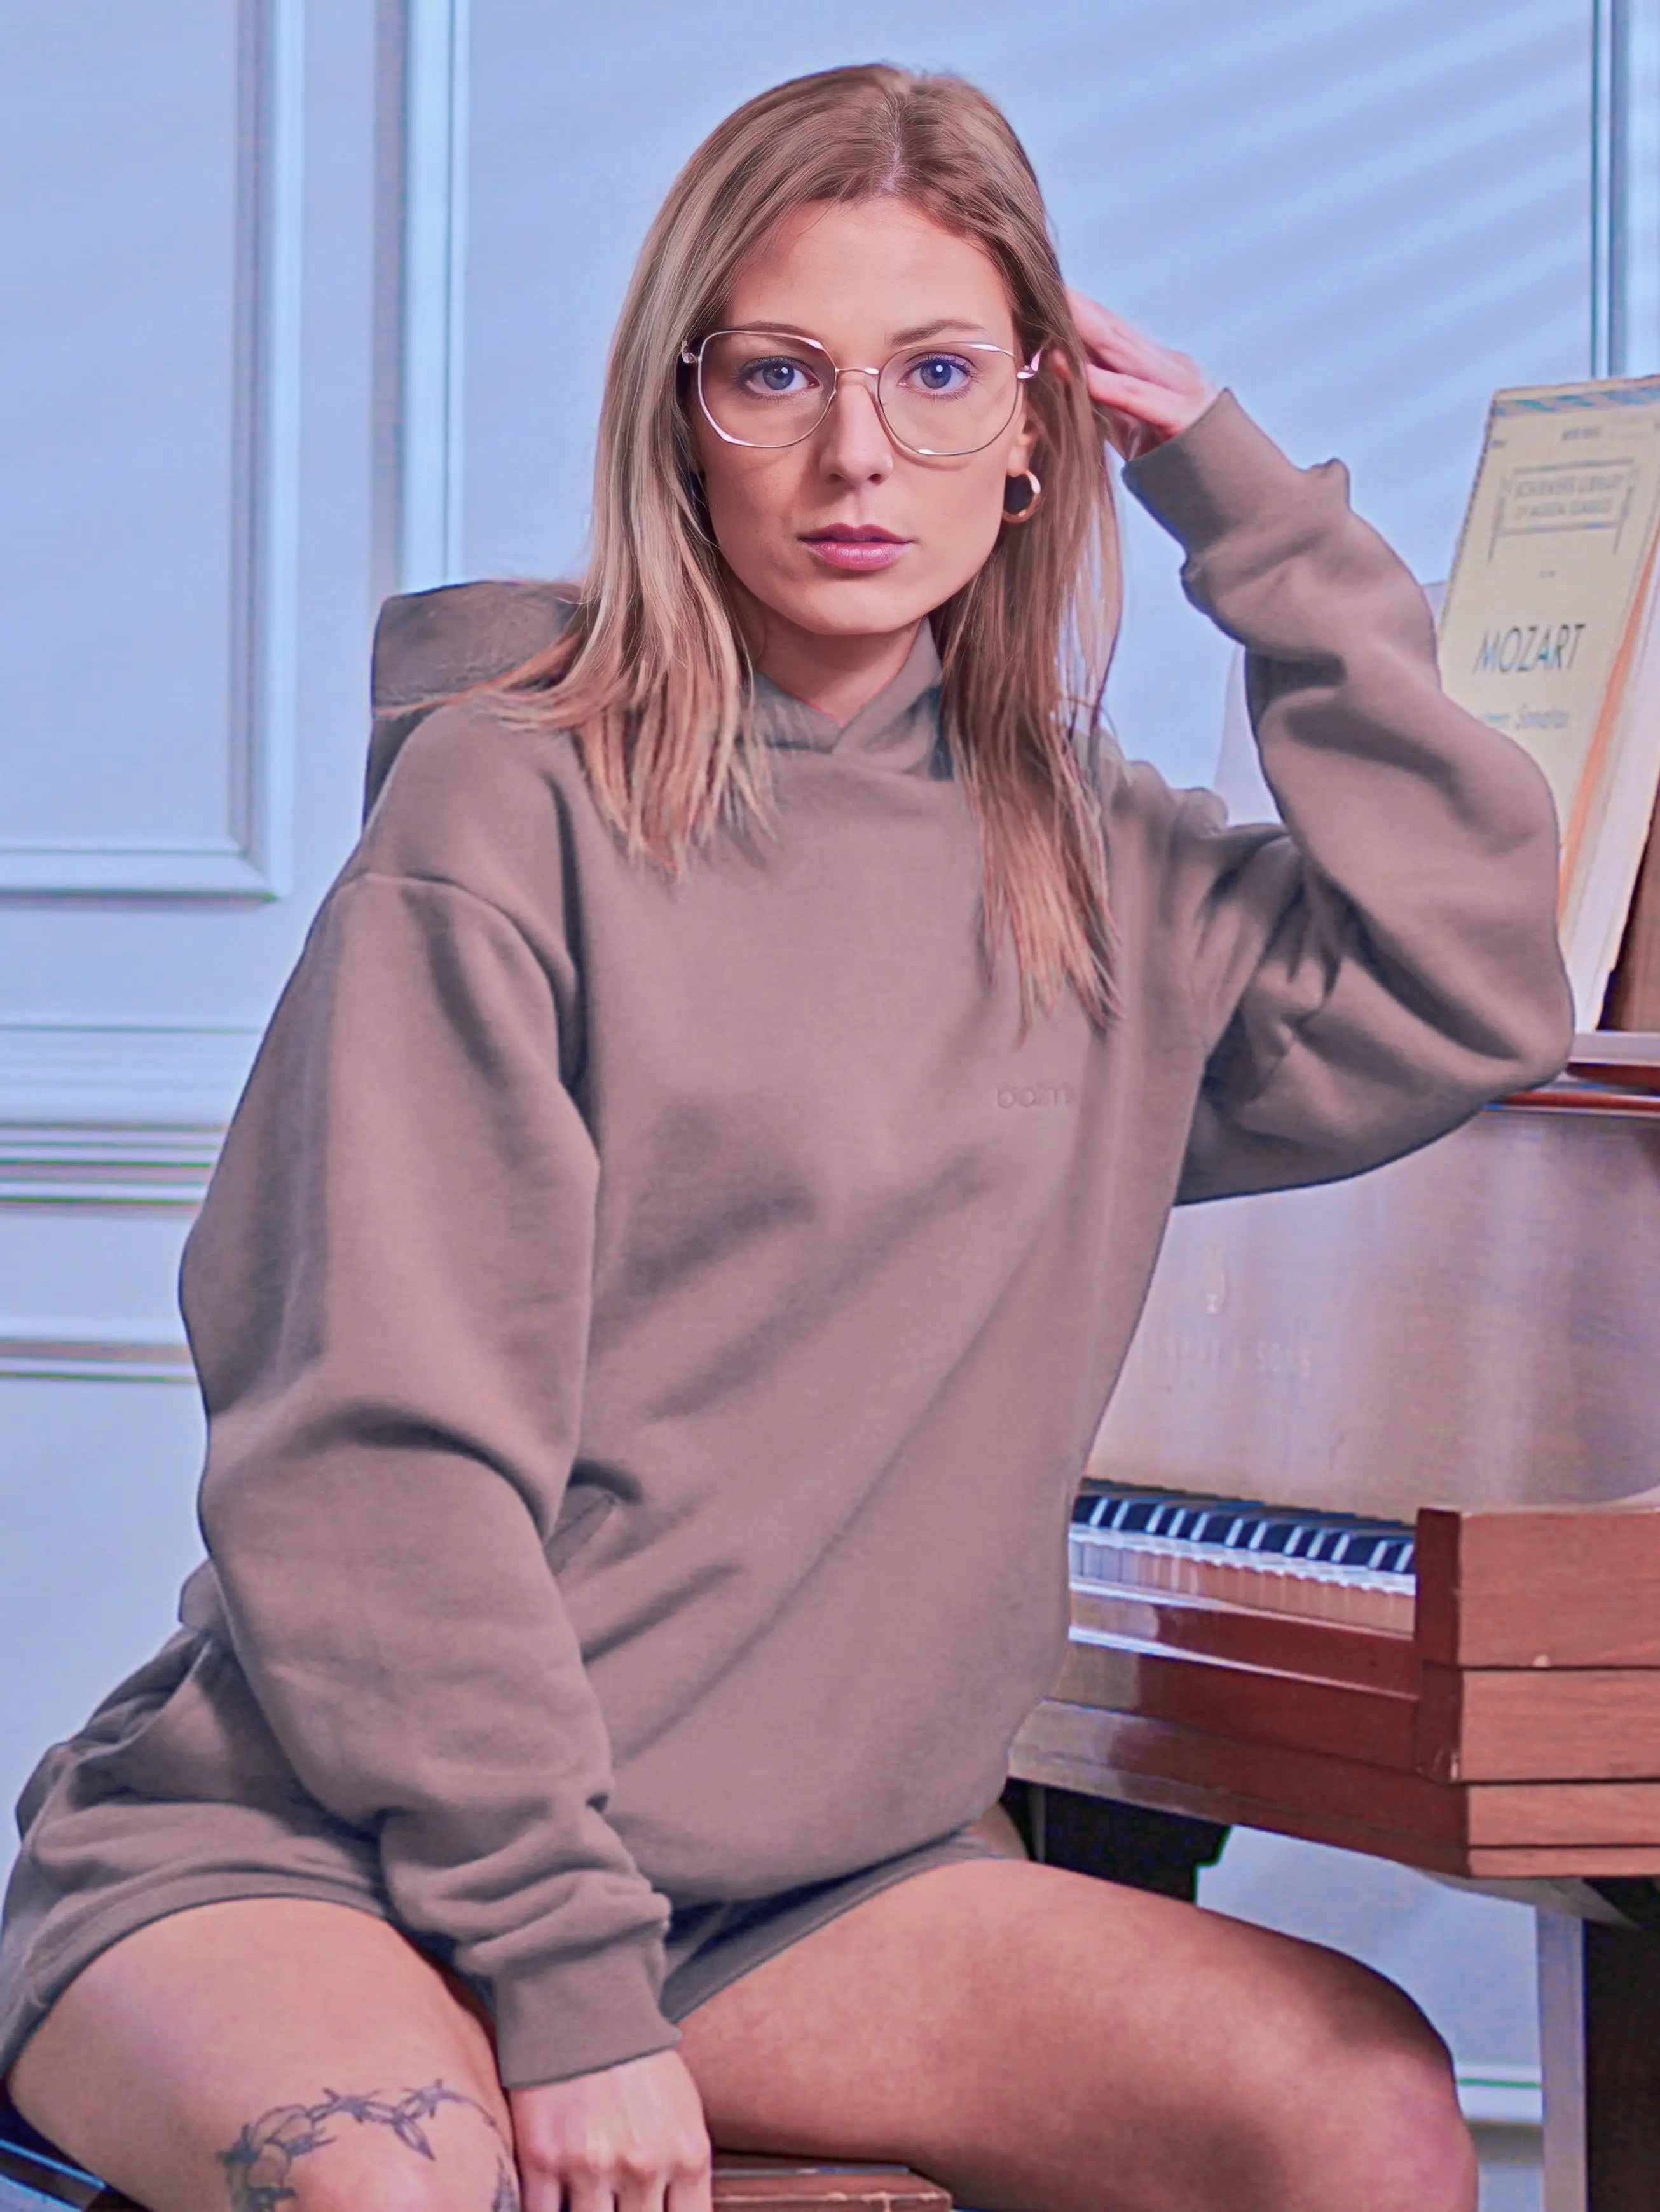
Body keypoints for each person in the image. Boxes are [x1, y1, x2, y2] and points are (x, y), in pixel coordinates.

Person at [1, 61, 1570, 2212]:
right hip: (323, 1854)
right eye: (778, 375)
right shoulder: (505, 811)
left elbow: (1477, 978)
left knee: (1352, 2107)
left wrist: (1246, 511)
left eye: (939, 373)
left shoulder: (1096, 864)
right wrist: (566, 1989)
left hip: (798, 1897)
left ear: (1037, 426)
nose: (860, 456)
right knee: (397, 2188)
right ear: (684, 419)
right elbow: (373, 1466)